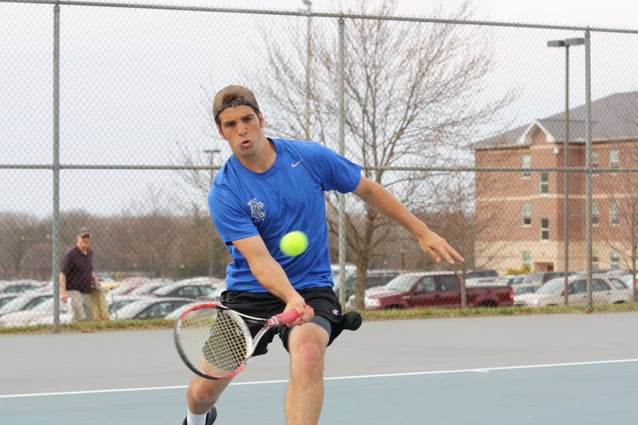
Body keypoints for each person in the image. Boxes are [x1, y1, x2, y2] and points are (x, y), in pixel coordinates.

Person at [182, 85, 464, 425]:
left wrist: (423, 231)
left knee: (308, 354)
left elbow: (368, 189)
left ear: (261, 118)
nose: (242, 130)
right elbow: (259, 260)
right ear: (221, 131)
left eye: (247, 119)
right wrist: (288, 297)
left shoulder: (309, 158)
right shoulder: (226, 190)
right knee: (202, 393)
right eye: (231, 125)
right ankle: (196, 420)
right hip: (250, 292)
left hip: (310, 285)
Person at [59, 227, 100, 321]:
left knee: (90, 318)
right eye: (83, 238)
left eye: (87, 238)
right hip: (73, 290)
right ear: (77, 238)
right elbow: (62, 274)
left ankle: (85, 333)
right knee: (80, 316)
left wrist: (94, 280)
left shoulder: (90, 253)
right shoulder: (70, 255)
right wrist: (63, 292)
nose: (85, 240)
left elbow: (88, 270)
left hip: (86, 290)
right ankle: (75, 331)